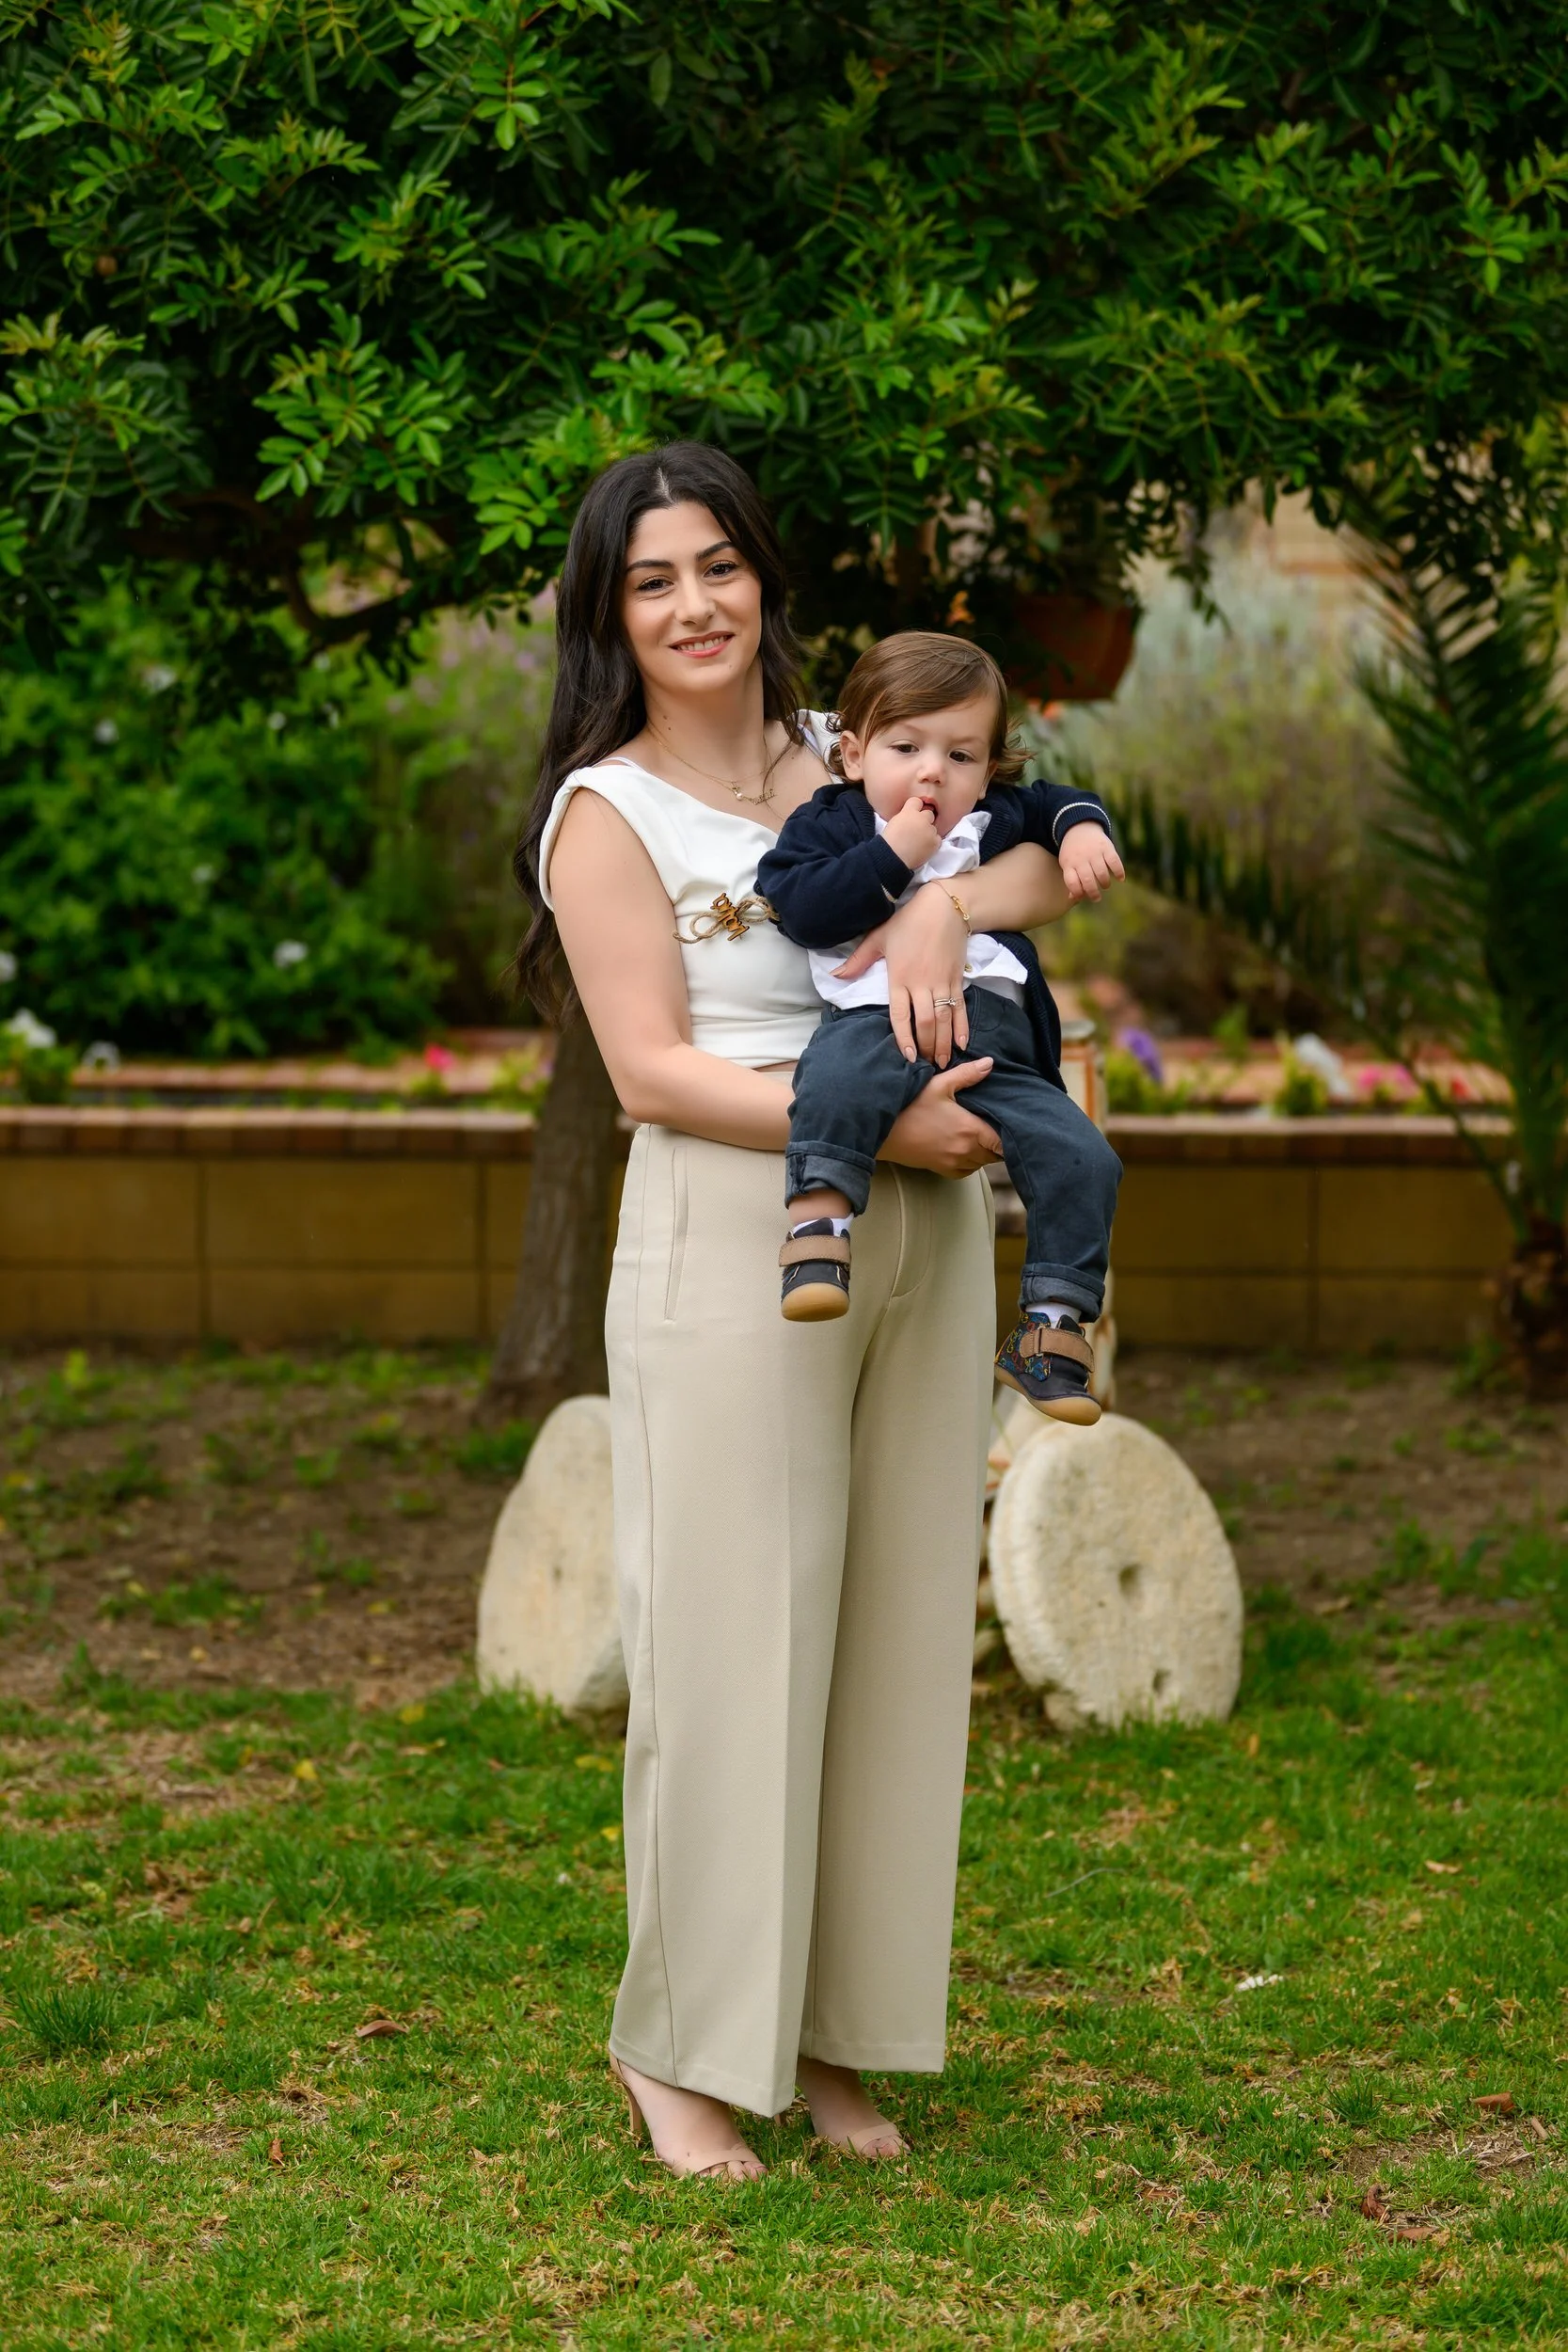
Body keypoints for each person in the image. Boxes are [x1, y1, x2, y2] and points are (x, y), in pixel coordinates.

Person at [515, 441, 1081, 2181]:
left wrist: (934, 914)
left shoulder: (855, 754)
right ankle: (682, 2052)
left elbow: (1037, 868)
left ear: (766, 577)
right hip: (743, 1227)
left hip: (923, 1227)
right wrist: (883, 1114)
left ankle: (840, 2042)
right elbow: (650, 1073)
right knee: (734, 1640)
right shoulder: (610, 813)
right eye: (651, 580)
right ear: (613, 617)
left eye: (718, 567)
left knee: (897, 1641)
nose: (695, 606)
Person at [755, 631, 1125, 1423]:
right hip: (874, 1025)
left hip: (1000, 1050)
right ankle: (817, 1229)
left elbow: (1059, 802)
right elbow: (802, 908)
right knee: (833, 1081)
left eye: (961, 755)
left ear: (988, 768)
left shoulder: (997, 816)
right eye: (906, 745)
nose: (933, 770)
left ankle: (1050, 1331)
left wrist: (1083, 830)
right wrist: (892, 856)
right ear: (853, 753)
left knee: (1083, 1156)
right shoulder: (837, 823)